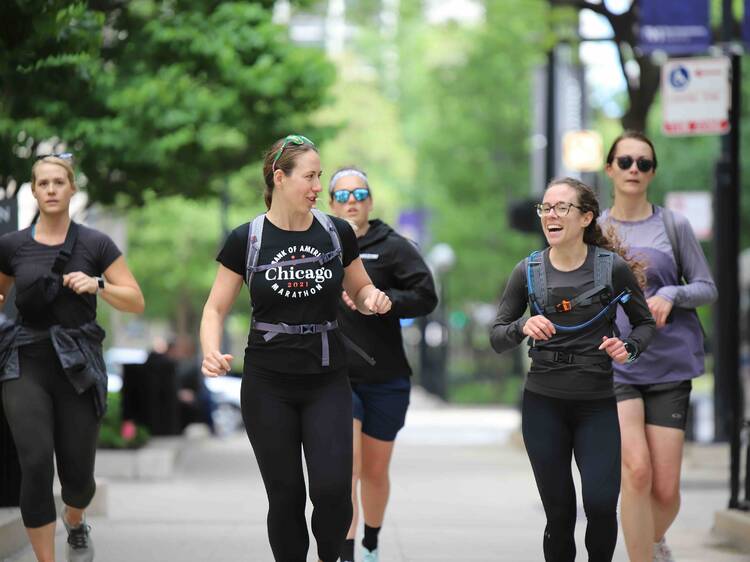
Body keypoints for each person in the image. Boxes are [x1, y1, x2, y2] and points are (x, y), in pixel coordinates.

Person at [199, 135, 392, 562]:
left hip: (327, 381)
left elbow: (359, 286)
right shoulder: (245, 239)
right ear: (279, 178)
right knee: (285, 496)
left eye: (319, 176)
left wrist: (371, 298)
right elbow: (214, 307)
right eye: (310, 176)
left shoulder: (336, 232)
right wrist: (210, 350)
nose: (317, 186)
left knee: (333, 491)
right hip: (268, 384)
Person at [490, 177, 656, 562]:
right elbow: (498, 336)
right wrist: (521, 326)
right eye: (546, 208)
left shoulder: (611, 269)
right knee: (560, 514)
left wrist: (627, 348)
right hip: (543, 404)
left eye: (561, 207)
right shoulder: (527, 271)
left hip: (596, 404)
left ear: (585, 218)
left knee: (599, 505)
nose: (551, 214)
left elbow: (644, 324)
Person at [0, 153, 145, 562]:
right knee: (34, 461)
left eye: (58, 183)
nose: (50, 190)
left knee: (78, 476)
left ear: (71, 189)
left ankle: (76, 518)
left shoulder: (95, 243)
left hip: (78, 365)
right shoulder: (12, 246)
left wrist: (98, 283)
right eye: (42, 183)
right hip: (24, 361)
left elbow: (135, 300)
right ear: (33, 190)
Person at [600, 131, 717, 562]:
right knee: (636, 471)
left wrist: (673, 294)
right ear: (610, 168)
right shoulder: (594, 232)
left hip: (669, 366)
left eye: (643, 163)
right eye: (626, 161)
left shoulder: (673, 225)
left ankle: (650, 541)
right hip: (617, 367)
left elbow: (706, 287)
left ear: (652, 172)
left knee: (666, 490)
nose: (634, 169)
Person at [327, 167, 438, 562]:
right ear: (330, 204)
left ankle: (371, 544)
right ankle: (346, 554)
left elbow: (426, 297)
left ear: (370, 201)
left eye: (359, 193)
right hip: (338, 378)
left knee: (374, 472)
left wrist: (387, 300)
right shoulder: (318, 245)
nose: (351, 200)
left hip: (387, 377)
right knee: (349, 470)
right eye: (342, 195)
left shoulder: (393, 246)